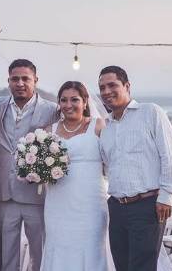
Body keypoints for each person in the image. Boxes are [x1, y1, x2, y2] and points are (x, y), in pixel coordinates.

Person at [98, 66, 172, 271]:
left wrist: (167, 195)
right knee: (122, 266)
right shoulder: (106, 128)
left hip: (147, 205)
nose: (106, 91)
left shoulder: (151, 112)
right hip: (116, 206)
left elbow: (170, 155)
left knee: (142, 267)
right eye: (102, 88)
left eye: (112, 85)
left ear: (127, 86)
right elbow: (107, 168)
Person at [0, 59, 57, 271]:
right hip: (3, 192)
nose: (20, 83)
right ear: (8, 81)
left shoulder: (52, 110)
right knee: (5, 252)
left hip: (36, 195)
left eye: (25, 78)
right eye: (15, 79)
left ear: (35, 80)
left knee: (40, 251)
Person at [40, 81, 107, 271]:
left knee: (91, 246)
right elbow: (40, 168)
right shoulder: (48, 131)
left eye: (74, 100)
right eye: (63, 100)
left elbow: (113, 161)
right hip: (57, 203)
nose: (68, 105)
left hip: (91, 203)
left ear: (85, 102)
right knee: (59, 245)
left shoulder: (99, 126)